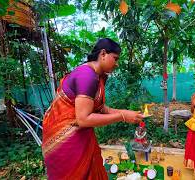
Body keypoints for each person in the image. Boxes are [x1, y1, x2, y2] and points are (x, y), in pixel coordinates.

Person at [42, 38, 144, 180]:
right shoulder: (87, 76)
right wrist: (122, 116)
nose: (117, 64)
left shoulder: (97, 76)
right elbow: (83, 119)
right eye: (115, 58)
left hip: (79, 134)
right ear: (103, 54)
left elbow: (102, 109)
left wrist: (127, 113)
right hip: (65, 139)